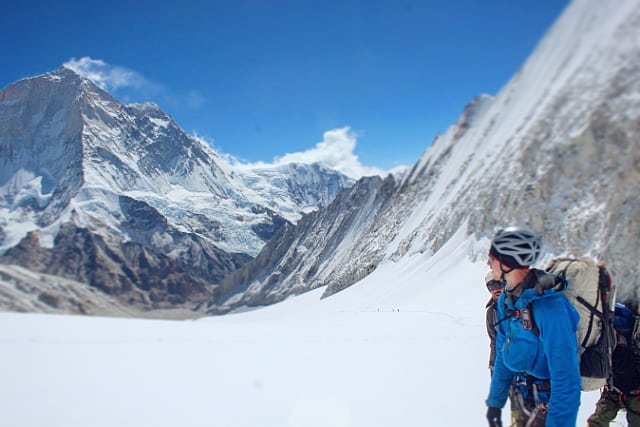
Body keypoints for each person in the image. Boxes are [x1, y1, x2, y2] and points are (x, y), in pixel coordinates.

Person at [485, 226, 581, 427]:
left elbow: (565, 379)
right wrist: (495, 403)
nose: (488, 263)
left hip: (546, 403)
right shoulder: (506, 301)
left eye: (492, 258)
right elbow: (503, 353)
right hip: (521, 396)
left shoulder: (551, 307)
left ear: (508, 262)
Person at [587, 302, 640, 427]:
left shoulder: (630, 341)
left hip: (632, 392)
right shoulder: (608, 339)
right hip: (614, 390)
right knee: (597, 421)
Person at [485, 272, 503, 374]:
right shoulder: (491, 313)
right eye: (492, 287)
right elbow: (494, 341)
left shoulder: (520, 304)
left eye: (499, 284)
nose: (496, 290)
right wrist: (493, 365)